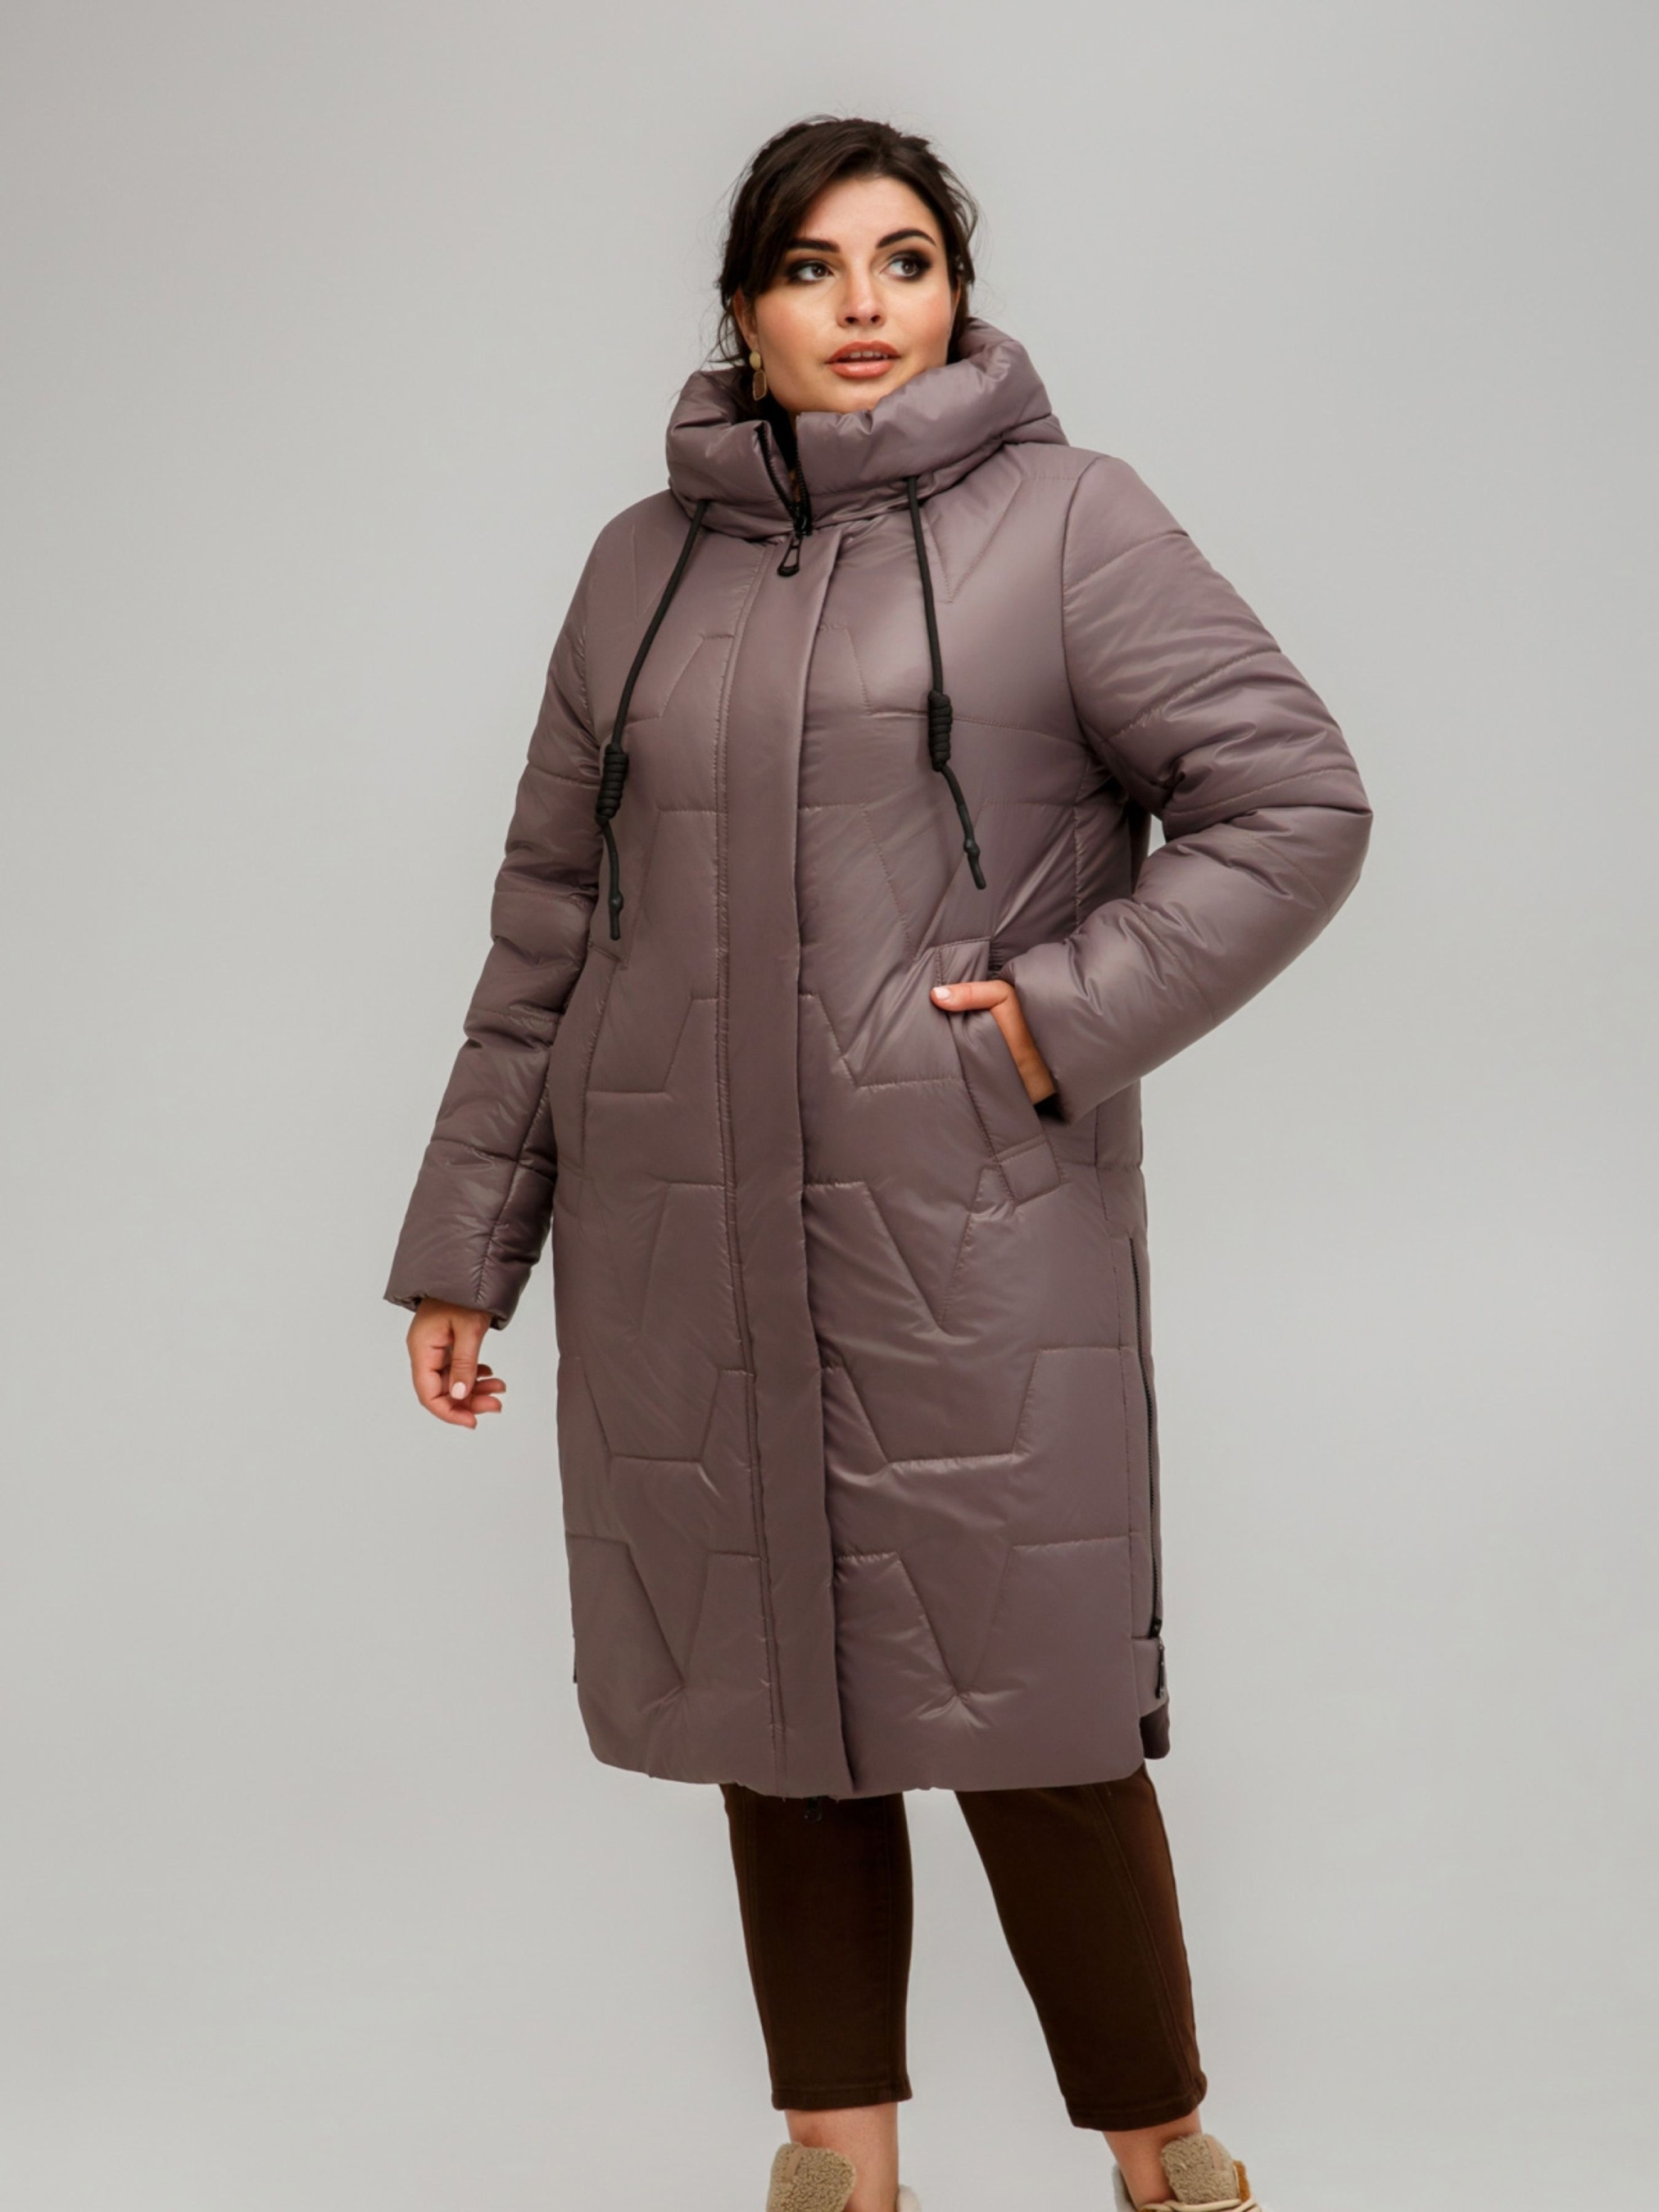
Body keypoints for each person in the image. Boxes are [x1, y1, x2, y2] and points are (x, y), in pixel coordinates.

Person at [383, 114, 1371, 2212]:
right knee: (776, 1717)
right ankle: (837, 2173)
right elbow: (550, 920)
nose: (862, 306)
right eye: (813, 267)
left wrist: (1047, 1020)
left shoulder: (1068, 523)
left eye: (904, 260)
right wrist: (470, 1239)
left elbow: (1290, 802)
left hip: (966, 1235)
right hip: (678, 1241)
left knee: (1032, 1715)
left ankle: (1164, 2161)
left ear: (955, 287)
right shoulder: (634, 568)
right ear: (741, 306)